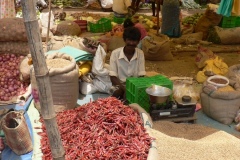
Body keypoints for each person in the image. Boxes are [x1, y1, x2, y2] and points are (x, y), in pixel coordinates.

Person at [109, 27, 146, 100]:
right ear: (125, 40)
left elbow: (141, 76)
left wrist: (133, 89)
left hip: (135, 85)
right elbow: (113, 77)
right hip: (119, 85)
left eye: (134, 41)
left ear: (138, 42)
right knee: (117, 93)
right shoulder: (115, 53)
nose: (131, 43)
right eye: (129, 40)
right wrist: (125, 90)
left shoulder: (140, 54)